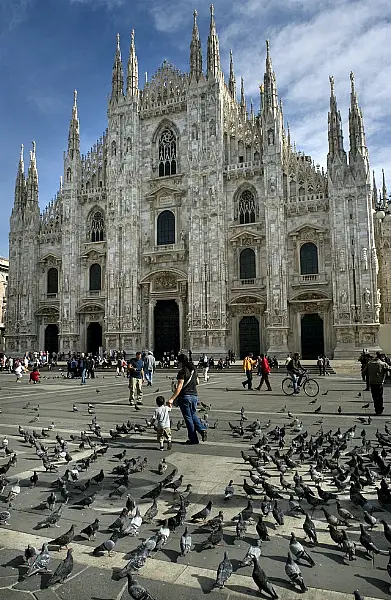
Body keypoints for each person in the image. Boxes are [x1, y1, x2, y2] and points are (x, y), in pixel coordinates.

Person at [167, 353, 207, 445]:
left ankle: (193, 439)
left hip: (185, 397)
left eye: (178, 361)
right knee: (193, 414)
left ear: (181, 362)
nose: (177, 363)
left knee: (188, 418)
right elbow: (197, 382)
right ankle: (202, 429)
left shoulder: (182, 371)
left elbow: (180, 386)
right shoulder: (193, 370)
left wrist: (172, 399)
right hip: (194, 396)